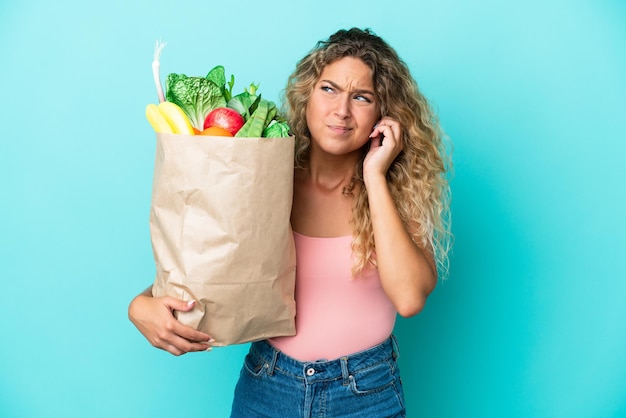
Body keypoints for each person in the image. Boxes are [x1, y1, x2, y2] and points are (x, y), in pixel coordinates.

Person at [128, 27, 452, 417]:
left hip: (365, 393)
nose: (342, 110)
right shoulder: (263, 179)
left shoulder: (396, 193)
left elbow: (409, 297)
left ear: (384, 116)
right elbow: (211, 269)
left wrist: (374, 177)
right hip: (268, 385)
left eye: (361, 97)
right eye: (329, 89)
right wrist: (140, 305)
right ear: (307, 95)